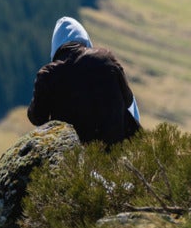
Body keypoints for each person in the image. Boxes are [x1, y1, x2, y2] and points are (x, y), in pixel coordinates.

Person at [27, 16, 142, 146]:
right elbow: (128, 100)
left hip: (76, 156)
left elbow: (37, 117)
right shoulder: (106, 59)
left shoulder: (48, 75)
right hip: (118, 149)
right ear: (84, 39)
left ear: (55, 47)